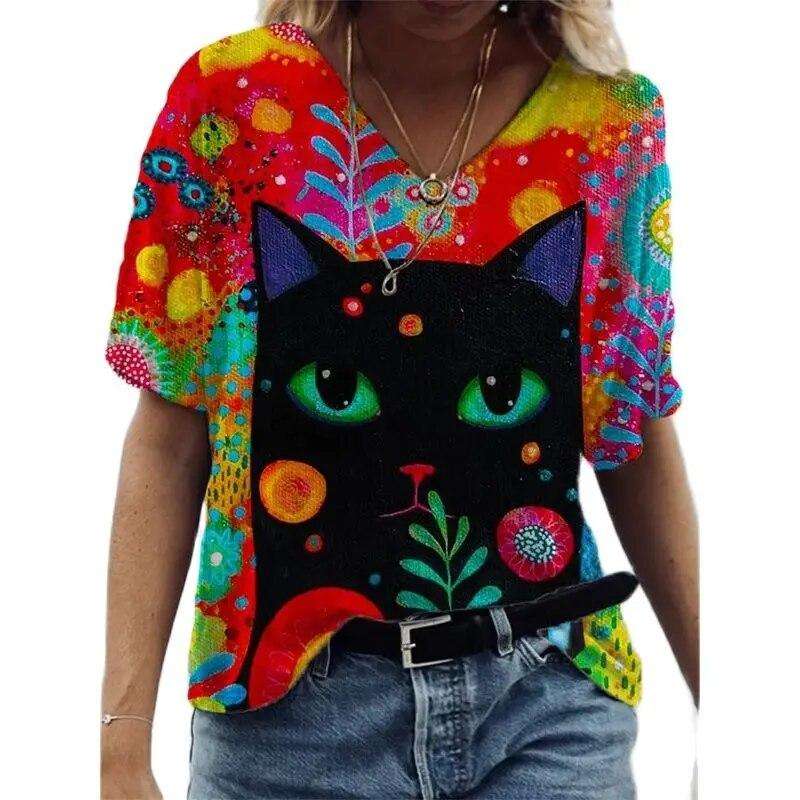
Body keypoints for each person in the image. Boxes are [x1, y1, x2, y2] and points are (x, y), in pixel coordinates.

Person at [101, 1, 698, 798]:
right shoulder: (233, 98)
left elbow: (632, 424)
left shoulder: (610, 121)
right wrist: (120, 744)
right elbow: (172, 432)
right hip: (286, 717)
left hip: (546, 705)